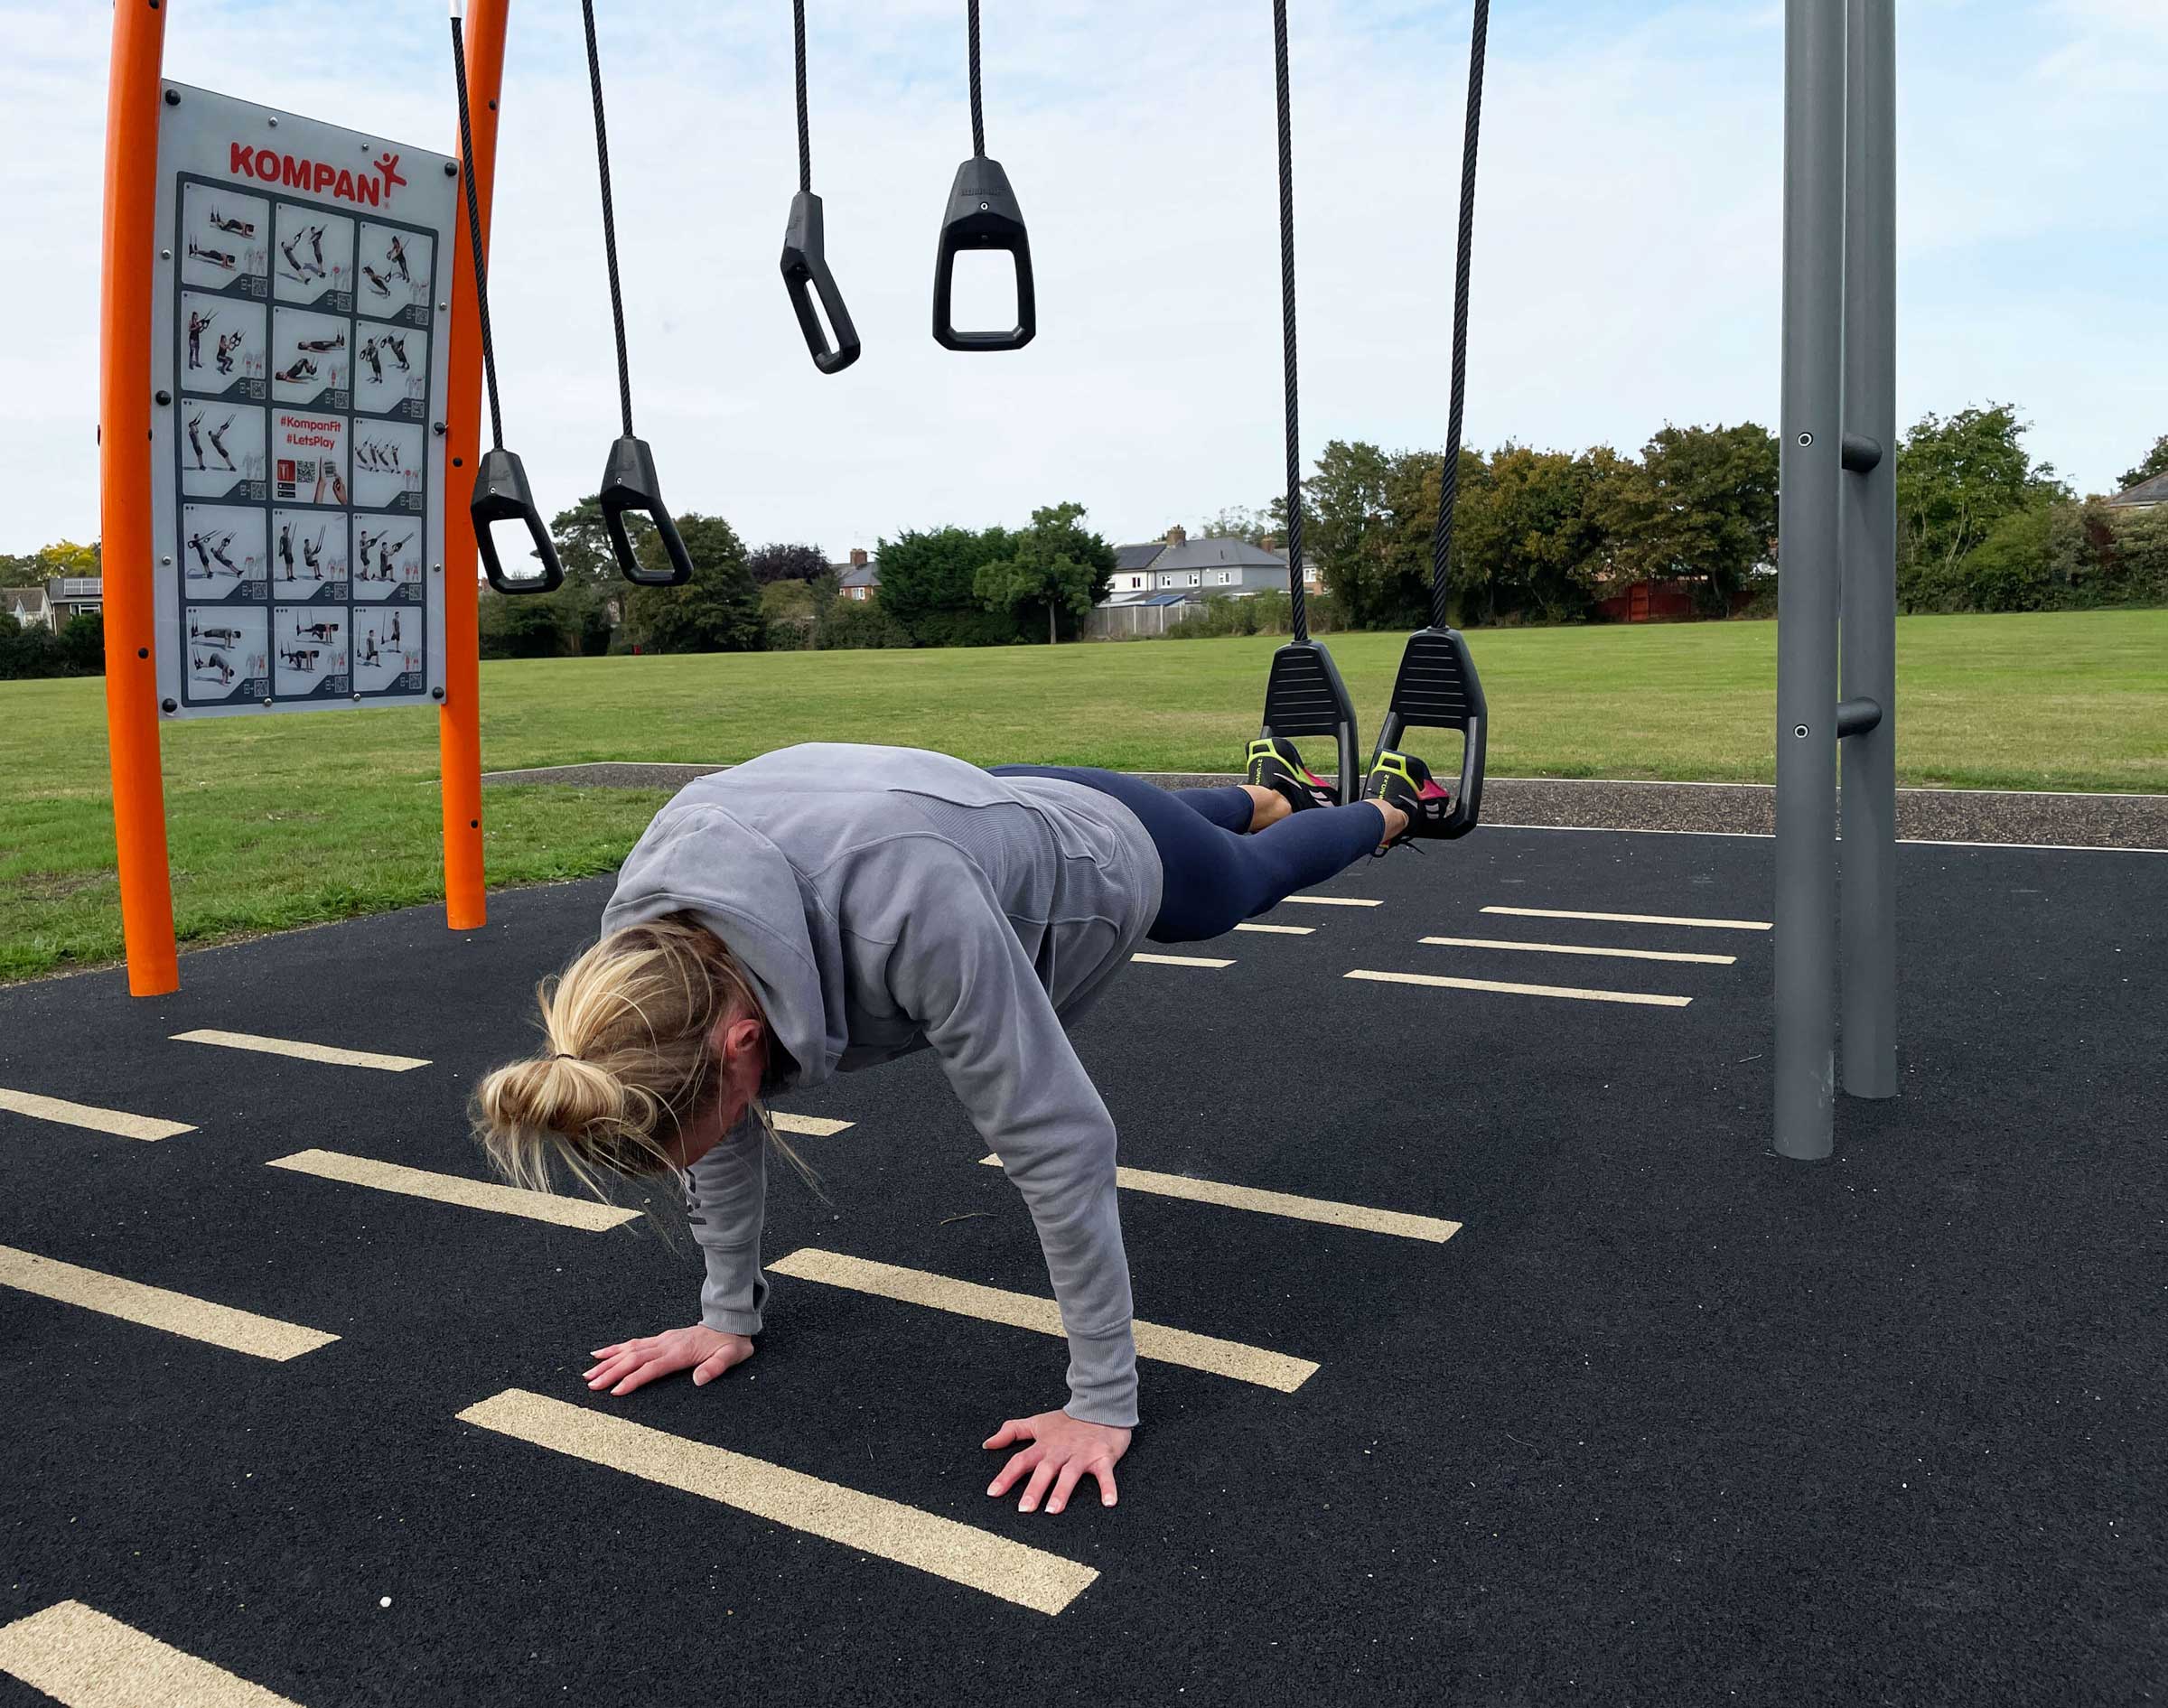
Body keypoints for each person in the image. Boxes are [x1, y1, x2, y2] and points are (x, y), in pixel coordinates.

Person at [472, 739, 1462, 1517]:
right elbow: (717, 1128)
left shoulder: (909, 917)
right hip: (975, 804)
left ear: (740, 1041)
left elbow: (1061, 1144)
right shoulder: (641, 965)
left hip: (1076, 858)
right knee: (1188, 827)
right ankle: (1272, 785)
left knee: (1232, 884)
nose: (737, 1126)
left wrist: (1100, 1402)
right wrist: (723, 1312)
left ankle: (1387, 804)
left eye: (730, 1102)